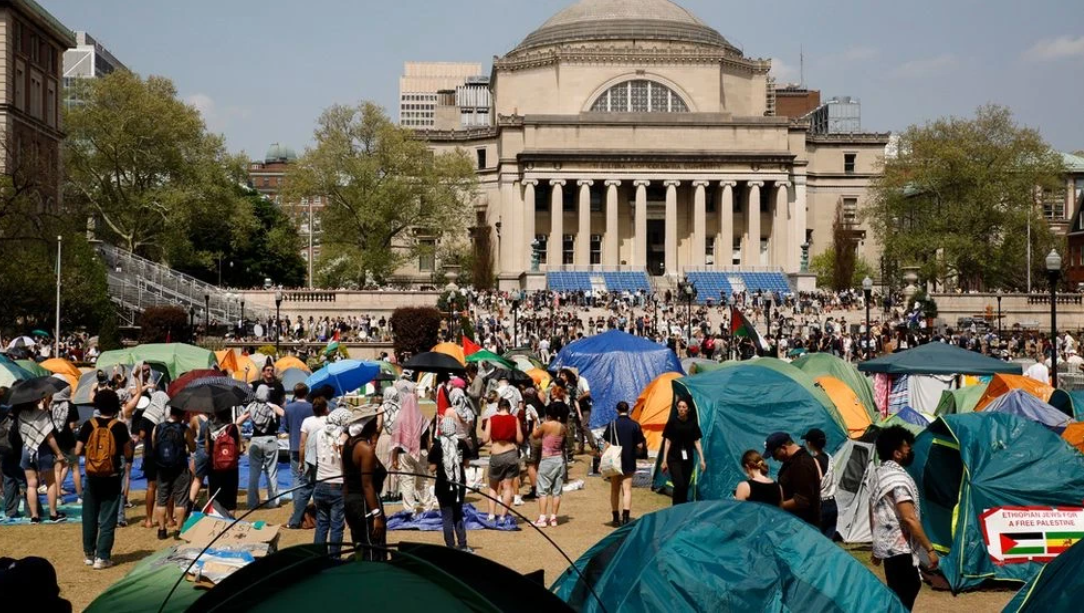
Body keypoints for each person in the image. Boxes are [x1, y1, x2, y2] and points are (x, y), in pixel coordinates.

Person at [870, 426, 938, 610]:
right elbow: (909, 518)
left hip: (888, 547)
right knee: (907, 589)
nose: (911, 451)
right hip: (899, 548)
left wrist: (876, 544)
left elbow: (874, 512)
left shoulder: (880, 474)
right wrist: (929, 549)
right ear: (897, 453)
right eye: (907, 447)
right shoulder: (897, 481)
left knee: (899, 592)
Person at [75, 389, 134, 569]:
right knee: (108, 517)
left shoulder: (88, 425)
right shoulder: (119, 426)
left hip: (92, 475)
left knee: (89, 515)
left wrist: (93, 456)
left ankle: (89, 554)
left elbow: (77, 451)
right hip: (112, 475)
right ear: (115, 406)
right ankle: (103, 556)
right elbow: (127, 452)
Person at [342, 405, 387, 561]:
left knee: (359, 546)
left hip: (351, 502)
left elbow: (345, 479)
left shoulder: (348, 444)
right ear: (367, 425)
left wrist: (346, 505)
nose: (376, 425)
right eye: (374, 422)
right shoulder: (365, 449)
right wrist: (377, 515)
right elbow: (367, 484)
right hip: (365, 503)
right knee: (373, 548)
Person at [17, 399, 68, 523]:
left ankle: (34, 516)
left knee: (31, 484)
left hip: (26, 449)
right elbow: (49, 437)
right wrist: (59, 453)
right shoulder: (42, 414)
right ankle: (53, 513)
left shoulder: (21, 415)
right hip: (43, 451)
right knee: (51, 483)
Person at [389, 381, 434, 515]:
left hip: (404, 454)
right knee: (423, 480)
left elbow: (396, 441)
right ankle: (427, 507)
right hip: (422, 452)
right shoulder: (422, 418)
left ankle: (409, 509)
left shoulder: (400, 418)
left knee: (407, 482)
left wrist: (394, 458)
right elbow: (428, 439)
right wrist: (430, 457)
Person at [428, 414, 471, 551]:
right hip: (459, 484)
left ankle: (450, 546)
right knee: (458, 514)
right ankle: (463, 544)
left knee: (447, 516)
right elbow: (467, 463)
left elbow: (432, 467)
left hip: (443, 485)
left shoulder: (437, 445)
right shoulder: (461, 443)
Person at [602, 401, 646, 527]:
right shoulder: (635, 425)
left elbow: (607, 444)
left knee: (614, 490)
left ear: (617, 410)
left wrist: (602, 459)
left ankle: (615, 518)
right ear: (629, 410)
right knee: (627, 490)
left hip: (614, 461)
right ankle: (626, 517)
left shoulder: (612, 424)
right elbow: (640, 445)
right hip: (629, 459)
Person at [313, 408, 351, 556]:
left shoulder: (319, 434)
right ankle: (334, 557)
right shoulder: (343, 436)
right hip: (337, 483)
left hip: (321, 481)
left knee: (322, 524)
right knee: (336, 525)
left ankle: (318, 556)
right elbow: (344, 461)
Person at [151, 405, 192, 540]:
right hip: (180, 467)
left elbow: (154, 446)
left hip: (162, 468)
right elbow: (192, 447)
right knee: (180, 500)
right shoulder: (184, 429)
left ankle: (162, 530)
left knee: (162, 499)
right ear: (182, 415)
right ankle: (178, 530)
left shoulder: (158, 427)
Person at [765, 432, 822, 527]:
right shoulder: (791, 461)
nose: (774, 459)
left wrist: (776, 506)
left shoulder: (802, 464)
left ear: (783, 448)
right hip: (793, 522)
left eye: (774, 454)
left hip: (803, 525)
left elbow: (802, 500)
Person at [242, 385, 285, 509]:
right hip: (270, 440)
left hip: (255, 441)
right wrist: (273, 406)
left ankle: (252, 502)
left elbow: (238, 421)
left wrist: (248, 415)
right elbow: (283, 414)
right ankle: (273, 502)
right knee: (272, 472)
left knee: (253, 473)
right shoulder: (271, 407)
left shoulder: (251, 406)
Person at [481, 398, 522, 526]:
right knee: (508, 487)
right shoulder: (514, 419)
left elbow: (485, 438)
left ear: (498, 408)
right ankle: (503, 516)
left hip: (497, 453)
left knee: (493, 486)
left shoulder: (491, 419)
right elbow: (520, 439)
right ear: (509, 408)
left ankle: (491, 514)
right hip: (511, 453)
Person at [660, 398, 706, 505]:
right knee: (679, 483)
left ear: (688, 409)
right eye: (679, 407)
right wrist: (664, 460)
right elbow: (667, 442)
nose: (681, 409)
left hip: (687, 457)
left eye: (684, 407)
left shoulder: (692, 423)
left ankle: (682, 507)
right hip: (674, 457)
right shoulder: (672, 422)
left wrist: (702, 459)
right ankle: (675, 507)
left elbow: (697, 442)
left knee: (685, 485)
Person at [531, 404, 567, 527]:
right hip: (559, 459)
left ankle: (542, 518)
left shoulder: (546, 425)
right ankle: (553, 518)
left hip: (547, 459)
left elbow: (535, 434)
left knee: (543, 490)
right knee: (557, 491)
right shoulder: (563, 427)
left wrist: (535, 421)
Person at [284, 383, 314, 528]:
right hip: (309, 447)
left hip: (294, 445)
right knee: (308, 479)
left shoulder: (288, 408)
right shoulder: (311, 408)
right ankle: (302, 510)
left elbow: (285, 427)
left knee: (296, 477)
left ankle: (297, 509)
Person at [48, 386, 81, 506]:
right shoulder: (71, 406)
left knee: (57, 469)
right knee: (75, 467)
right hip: (69, 440)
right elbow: (72, 425)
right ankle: (79, 496)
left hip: (56, 441)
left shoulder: (51, 406)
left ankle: (58, 497)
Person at [206, 408, 242, 513]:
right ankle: (229, 523)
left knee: (215, 497)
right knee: (230, 500)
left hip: (214, 466)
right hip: (231, 467)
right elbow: (238, 448)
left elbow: (207, 448)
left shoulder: (210, 428)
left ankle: (216, 522)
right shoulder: (233, 428)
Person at [803, 428, 838, 539]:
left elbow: (815, 482)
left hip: (820, 504)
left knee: (817, 540)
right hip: (832, 502)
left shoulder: (814, 461)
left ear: (809, 443)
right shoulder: (829, 457)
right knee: (828, 541)